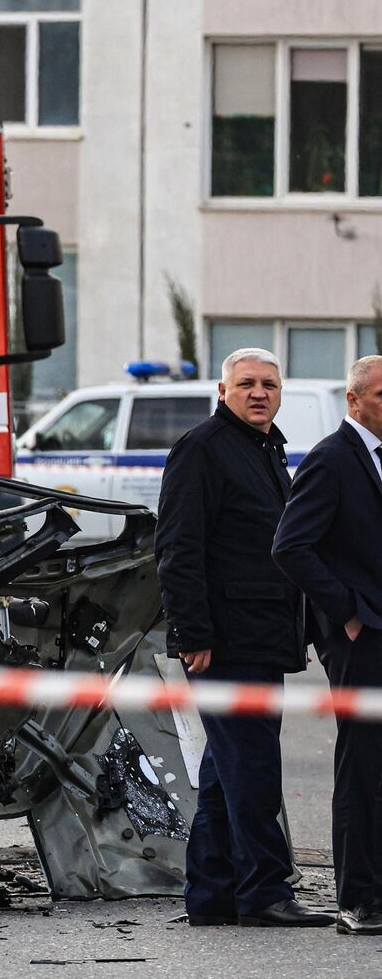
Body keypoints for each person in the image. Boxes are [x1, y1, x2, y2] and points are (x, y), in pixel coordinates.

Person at [159, 347, 328, 928]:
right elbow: (179, 549)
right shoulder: (203, 448)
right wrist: (193, 633)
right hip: (225, 640)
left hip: (260, 634)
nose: (260, 393)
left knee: (225, 771)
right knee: (252, 767)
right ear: (223, 391)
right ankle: (264, 893)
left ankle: (212, 895)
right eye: (247, 384)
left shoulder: (265, 450)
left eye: (270, 385)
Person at [274, 355, 382, 935]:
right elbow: (291, 546)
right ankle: (357, 899)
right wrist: (345, 612)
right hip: (360, 638)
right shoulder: (333, 459)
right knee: (362, 765)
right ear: (355, 399)